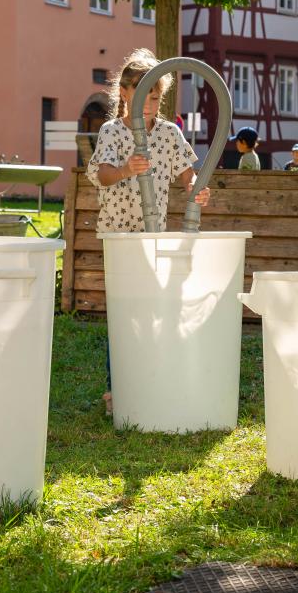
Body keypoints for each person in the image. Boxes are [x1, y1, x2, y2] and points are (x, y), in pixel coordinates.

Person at [86, 48, 211, 414]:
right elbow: (102, 174)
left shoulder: (169, 134)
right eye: (143, 94)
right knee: (124, 313)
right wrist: (126, 169)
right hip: (120, 236)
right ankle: (117, 388)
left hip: (152, 235)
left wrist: (196, 188)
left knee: (155, 309)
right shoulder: (112, 131)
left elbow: (188, 174)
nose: (149, 103)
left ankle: (152, 379)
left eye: (155, 96)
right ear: (124, 93)